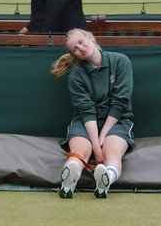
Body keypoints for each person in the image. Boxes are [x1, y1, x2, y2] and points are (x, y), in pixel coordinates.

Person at [50, 28, 135, 199]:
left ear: (90, 37)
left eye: (81, 42)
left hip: (118, 121)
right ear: (75, 55)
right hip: (85, 122)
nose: (80, 48)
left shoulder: (120, 61)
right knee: (80, 152)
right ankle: (69, 180)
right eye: (74, 49)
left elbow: (120, 101)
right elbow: (86, 109)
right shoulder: (76, 76)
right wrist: (96, 146)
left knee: (112, 153)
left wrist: (103, 136)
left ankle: (106, 180)